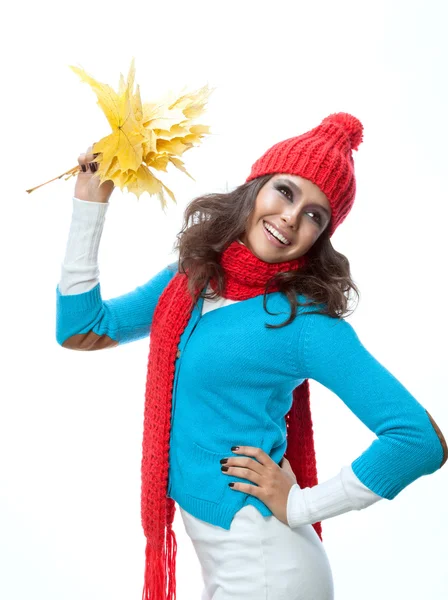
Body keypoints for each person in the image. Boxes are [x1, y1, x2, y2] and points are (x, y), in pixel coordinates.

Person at [56, 113, 447, 600]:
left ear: (321, 236)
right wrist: (89, 207)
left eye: (314, 215)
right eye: (286, 191)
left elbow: (418, 440)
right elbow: (83, 329)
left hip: (268, 571)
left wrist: (302, 506)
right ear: (256, 186)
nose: (291, 216)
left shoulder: (304, 322)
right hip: (227, 565)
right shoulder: (192, 280)